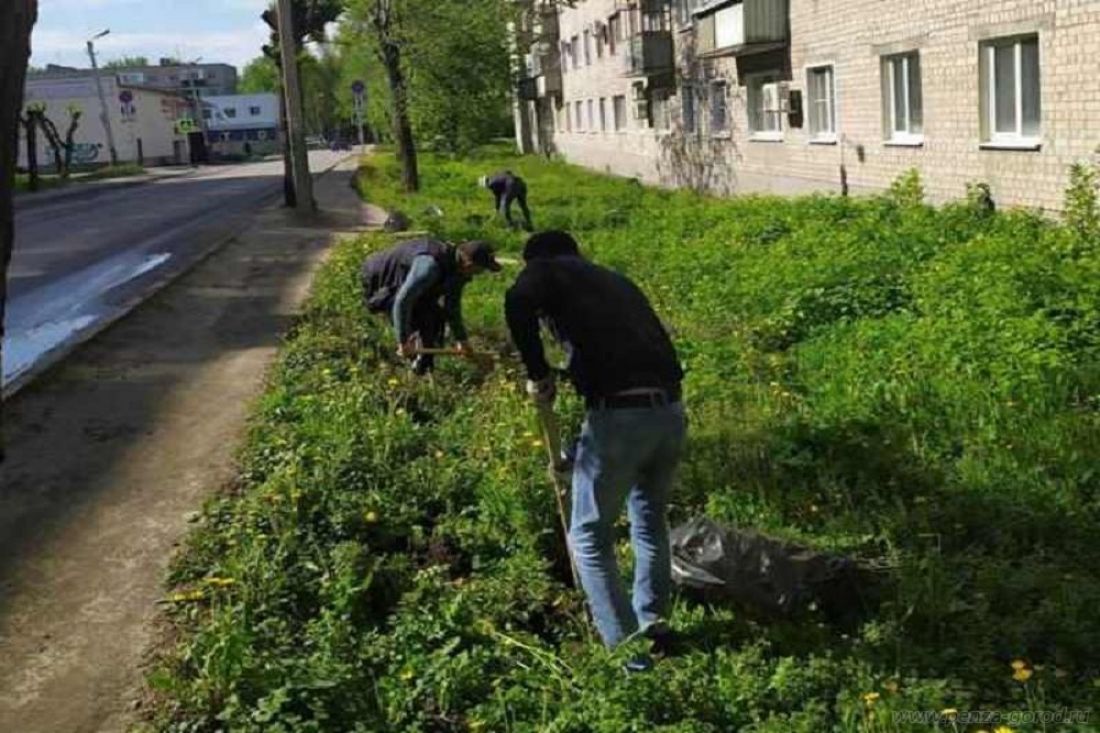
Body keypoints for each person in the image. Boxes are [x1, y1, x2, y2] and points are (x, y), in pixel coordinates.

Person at [504, 230, 686, 668]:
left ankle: (630, 660)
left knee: (587, 536)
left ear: (537, 259)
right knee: (648, 521)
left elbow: (516, 301)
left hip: (620, 417)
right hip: (670, 412)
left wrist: (537, 372)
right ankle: (654, 624)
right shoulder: (612, 280)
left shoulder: (546, 271)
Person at [361, 238, 501, 373]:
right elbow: (402, 301)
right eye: (481, 270)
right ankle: (404, 356)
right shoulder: (429, 267)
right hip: (379, 277)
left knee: (434, 319)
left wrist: (462, 340)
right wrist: (402, 341)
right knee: (418, 318)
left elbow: (451, 307)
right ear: (469, 264)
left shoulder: (458, 271)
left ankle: (422, 367)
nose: (479, 274)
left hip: (409, 284)